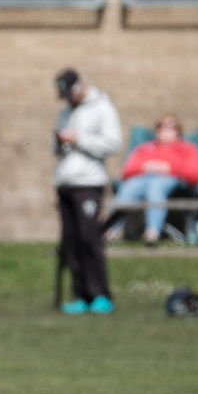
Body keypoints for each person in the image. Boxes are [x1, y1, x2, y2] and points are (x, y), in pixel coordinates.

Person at [52, 67, 123, 315]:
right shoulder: (65, 112)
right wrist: (60, 142)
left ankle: (101, 295)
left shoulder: (102, 107)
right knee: (71, 241)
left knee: (89, 238)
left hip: (89, 183)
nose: (68, 99)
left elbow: (113, 142)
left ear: (80, 85)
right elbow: (57, 147)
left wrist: (78, 139)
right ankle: (80, 295)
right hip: (66, 183)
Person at [106, 113, 198, 246]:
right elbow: (126, 172)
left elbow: (196, 174)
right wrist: (144, 167)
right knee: (129, 188)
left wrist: (168, 169)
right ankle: (110, 231)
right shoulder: (144, 148)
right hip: (142, 178)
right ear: (156, 130)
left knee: (156, 186)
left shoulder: (188, 149)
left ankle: (152, 233)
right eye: (161, 126)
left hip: (171, 180)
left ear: (178, 131)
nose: (165, 129)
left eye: (171, 127)